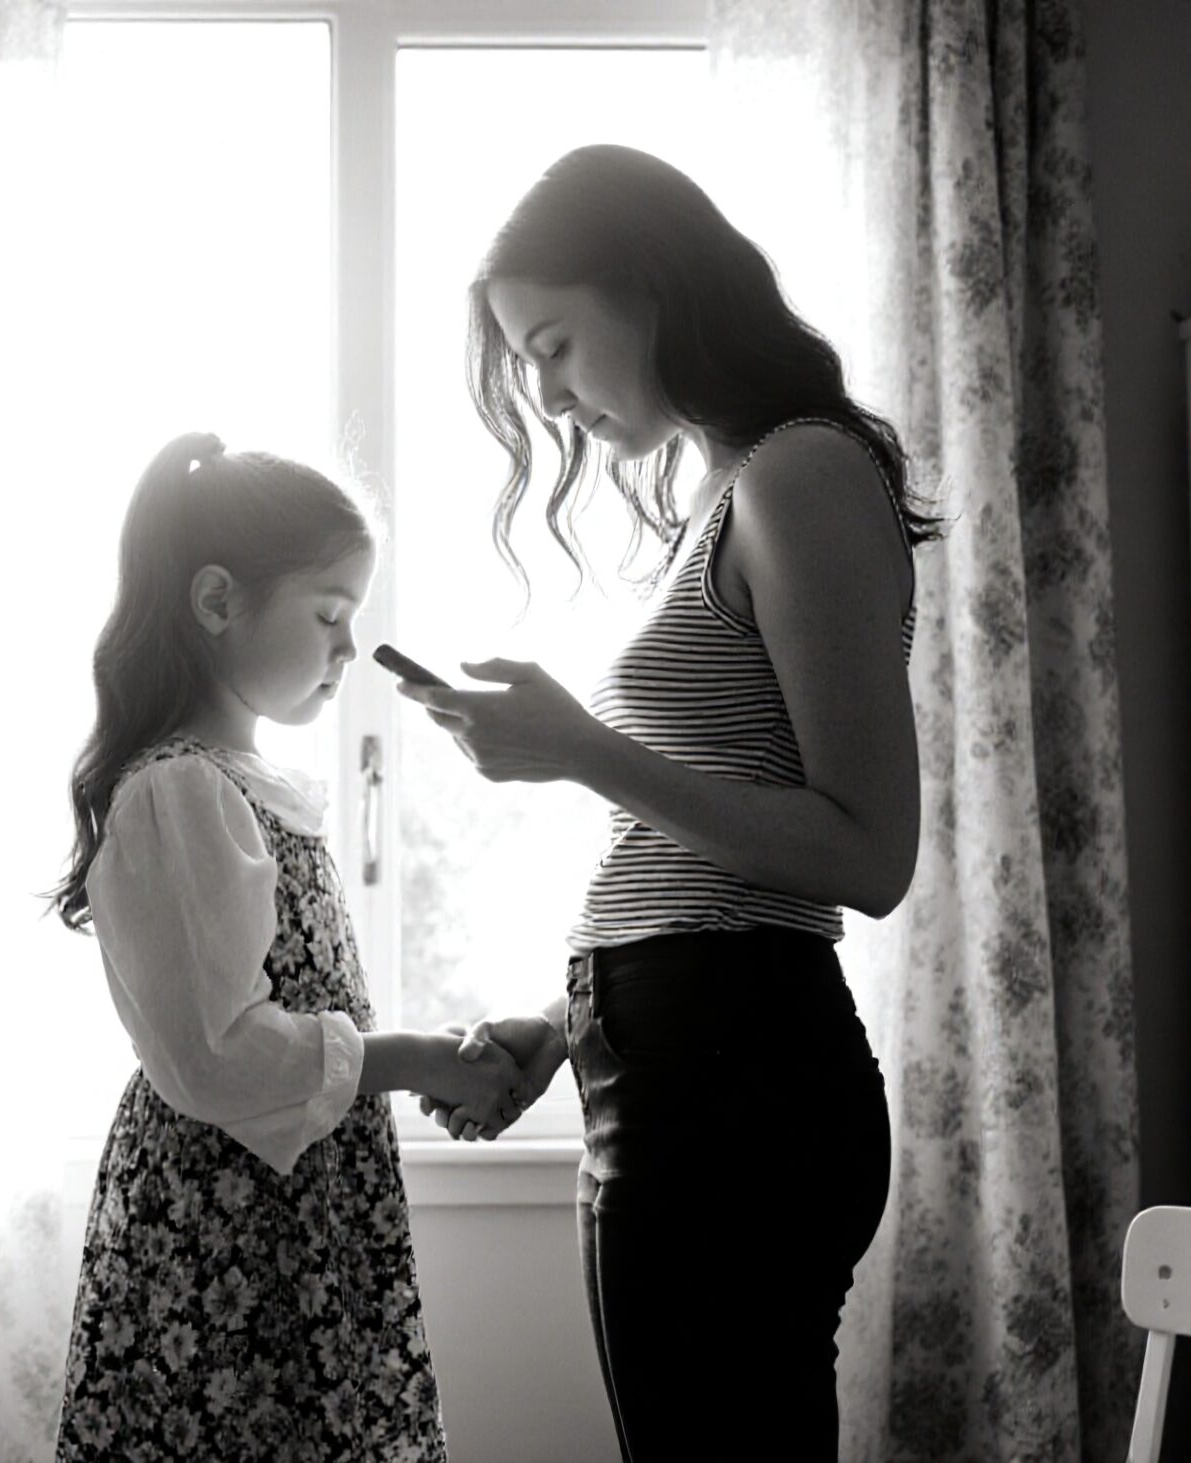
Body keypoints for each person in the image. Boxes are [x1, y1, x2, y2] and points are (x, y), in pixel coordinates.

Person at [399, 144, 938, 1461]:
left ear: (649, 292)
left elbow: (869, 850)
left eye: (557, 343)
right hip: (680, 1062)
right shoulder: (733, 489)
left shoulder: (799, 475)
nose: (547, 393)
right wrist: (572, 1017)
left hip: (735, 1079)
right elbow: (705, 854)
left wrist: (582, 747)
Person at [47, 432, 528, 1463]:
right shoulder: (181, 789)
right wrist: (406, 1058)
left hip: (294, 1214)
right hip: (223, 1231)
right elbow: (215, 1053)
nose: (349, 649)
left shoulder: (247, 787)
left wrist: (412, 1058)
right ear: (217, 601)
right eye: (328, 615)